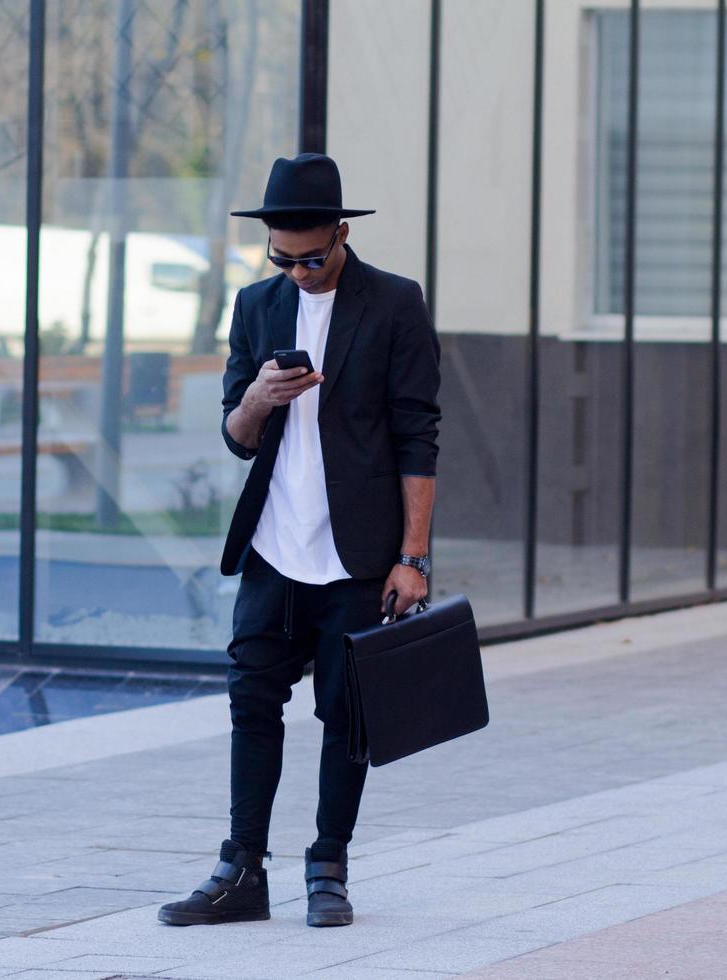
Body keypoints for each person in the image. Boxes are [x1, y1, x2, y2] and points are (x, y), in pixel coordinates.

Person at [159, 153, 441, 928]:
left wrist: (412, 557)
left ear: (341, 234)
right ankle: (242, 871)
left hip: (357, 554)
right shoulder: (256, 305)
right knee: (251, 699)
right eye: (282, 259)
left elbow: (420, 436)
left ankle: (328, 867)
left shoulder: (393, 304)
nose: (298, 272)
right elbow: (237, 436)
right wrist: (255, 399)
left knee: (347, 713)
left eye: (312, 258)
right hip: (275, 550)